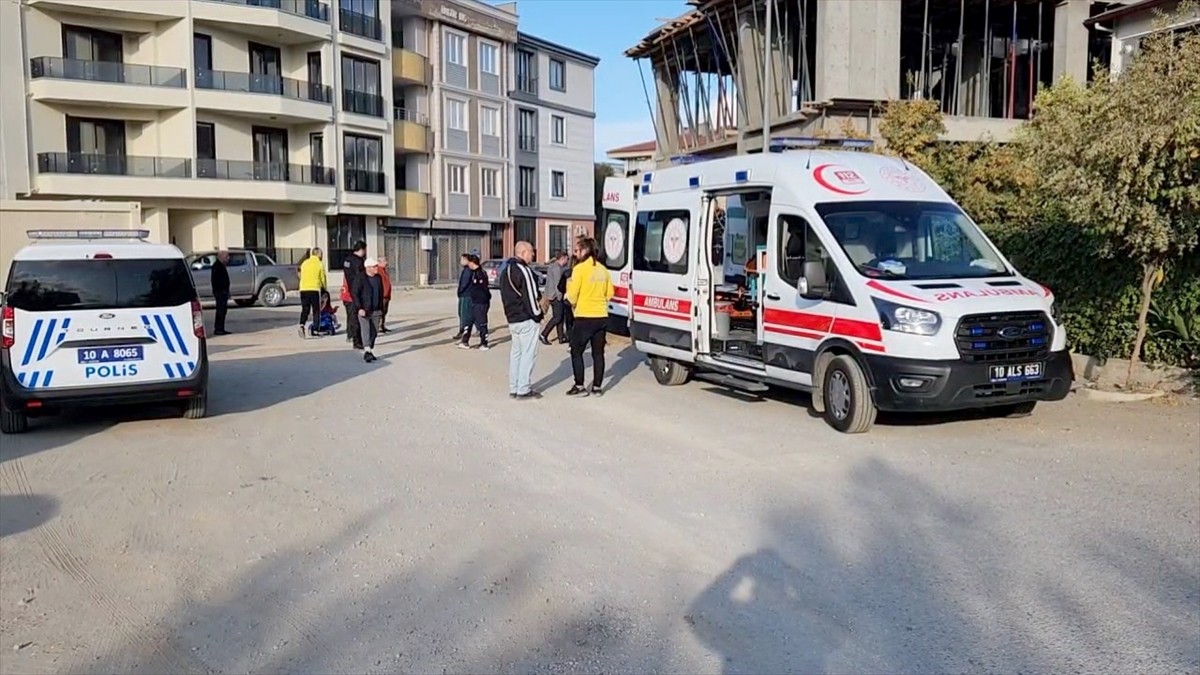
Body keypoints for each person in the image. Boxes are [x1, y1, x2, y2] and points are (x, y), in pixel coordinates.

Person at [565, 237, 614, 396]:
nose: (576, 253)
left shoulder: (579, 270)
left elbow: (572, 295)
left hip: (584, 316)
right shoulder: (603, 270)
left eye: (578, 250)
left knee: (576, 351)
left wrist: (569, 300)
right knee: (598, 353)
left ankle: (579, 386)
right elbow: (610, 293)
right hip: (601, 316)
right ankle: (597, 387)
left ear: (585, 251)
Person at [499, 241, 543, 400]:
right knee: (528, 354)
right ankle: (523, 388)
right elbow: (530, 297)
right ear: (523, 252)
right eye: (531, 252)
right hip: (526, 319)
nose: (533, 255)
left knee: (516, 353)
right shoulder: (524, 271)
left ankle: (514, 387)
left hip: (512, 319)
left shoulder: (506, 270)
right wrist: (538, 315)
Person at [353, 258, 385, 363]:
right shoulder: (360, 278)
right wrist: (359, 308)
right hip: (364, 309)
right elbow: (356, 294)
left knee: (374, 332)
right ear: (368, 268)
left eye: (377, 266)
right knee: (365, 330)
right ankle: (367, 350)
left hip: (376, 309)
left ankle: (369, 350)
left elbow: (381, 292)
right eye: (374, 266)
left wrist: (381, 308)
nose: (377, 268)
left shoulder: (378, 278)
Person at [459, 254, 491, 351]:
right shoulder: (472, 272)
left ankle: (484, 343)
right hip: (473, 301)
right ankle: (465, 341)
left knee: (481, 323)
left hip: (480, 302)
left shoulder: (480, 273)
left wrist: (483, 301)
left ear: (473, 263)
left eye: (469, 263)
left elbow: (483, 290)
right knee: (468, 320)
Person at [539, 250, 571, 345]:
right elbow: (557, 284)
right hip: (556, 296)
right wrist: (560, 296)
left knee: (560, 316)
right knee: (557, 317)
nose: (567, 261)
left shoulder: (552, 266)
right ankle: (544, 334)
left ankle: (561, 337)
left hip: (551, 295)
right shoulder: (557, 269)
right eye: (567, 259)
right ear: (563, 258)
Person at [342, 240, 367, 349]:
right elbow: (360, 278)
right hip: (356, 292)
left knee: (351, 316)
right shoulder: (358, 262)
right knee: (357, 318)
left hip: (347, 291)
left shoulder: (347, 260)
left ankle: (350, 335)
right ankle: (357, 341)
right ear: (362, 249)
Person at [298, 247, 326, 339]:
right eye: (321, 254)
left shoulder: (304, 263)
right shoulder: (319, 264)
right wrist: (324, 288)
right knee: (316, 310)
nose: (322, 255)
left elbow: (301, 275)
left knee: (305, 309)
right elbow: (323, 278)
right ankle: (315, 330)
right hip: (314, 289)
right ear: (317, 254)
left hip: (303, 289)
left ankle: (301, 325)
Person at [212, 249, 231, 336]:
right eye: (226, 256)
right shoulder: (217, 266)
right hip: (220, 292)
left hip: (223, 291)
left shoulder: (221, 266)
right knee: (220, 310)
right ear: (221, 257)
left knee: (223, 310)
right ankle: (218, 329)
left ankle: (221, 328)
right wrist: (221, 290)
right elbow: (216, 280)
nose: (228, 258)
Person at [453, 253, 472, 341]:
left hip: (465, 295)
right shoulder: (465, 270)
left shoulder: (468, 271)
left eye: (462, 259)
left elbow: (464, 284)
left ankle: (463, 331)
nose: (461, 261)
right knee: (463, 314)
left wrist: (460, 291)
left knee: (464, 314)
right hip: (464, 295)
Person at [377, 255, 393, 333]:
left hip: (386, 295)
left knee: (384, 311)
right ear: (379, 262)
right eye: (384, 261)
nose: (386, 263)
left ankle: (382, 325)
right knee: (381, 311)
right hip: (382, 295)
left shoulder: (383, 271)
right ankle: (379, 326)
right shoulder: (378, 271)